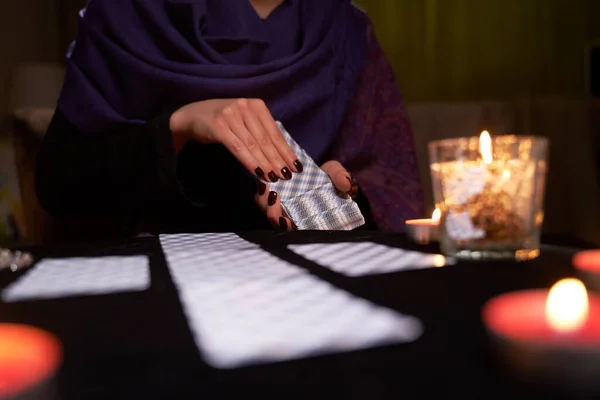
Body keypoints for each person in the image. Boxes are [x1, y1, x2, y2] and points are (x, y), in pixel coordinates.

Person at [36, 0, 424, 236]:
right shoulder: (126, 16)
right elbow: (60, 187)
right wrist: (177, 126)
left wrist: (340, 198)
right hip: (149, 297)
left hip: (308, 291)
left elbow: (388, 201)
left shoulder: (345, 31)